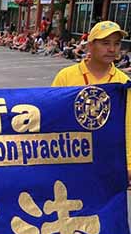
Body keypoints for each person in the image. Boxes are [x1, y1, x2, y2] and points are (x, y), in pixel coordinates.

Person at [52, 21, 131, 181]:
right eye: (105, 43)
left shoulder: (122, 82)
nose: (112, 49)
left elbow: (128, 124)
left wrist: (128, 164)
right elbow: (53, 116)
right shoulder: (66, 76)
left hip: (108, 159)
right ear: (90, 46)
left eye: (116, 44)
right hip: (72, 157)